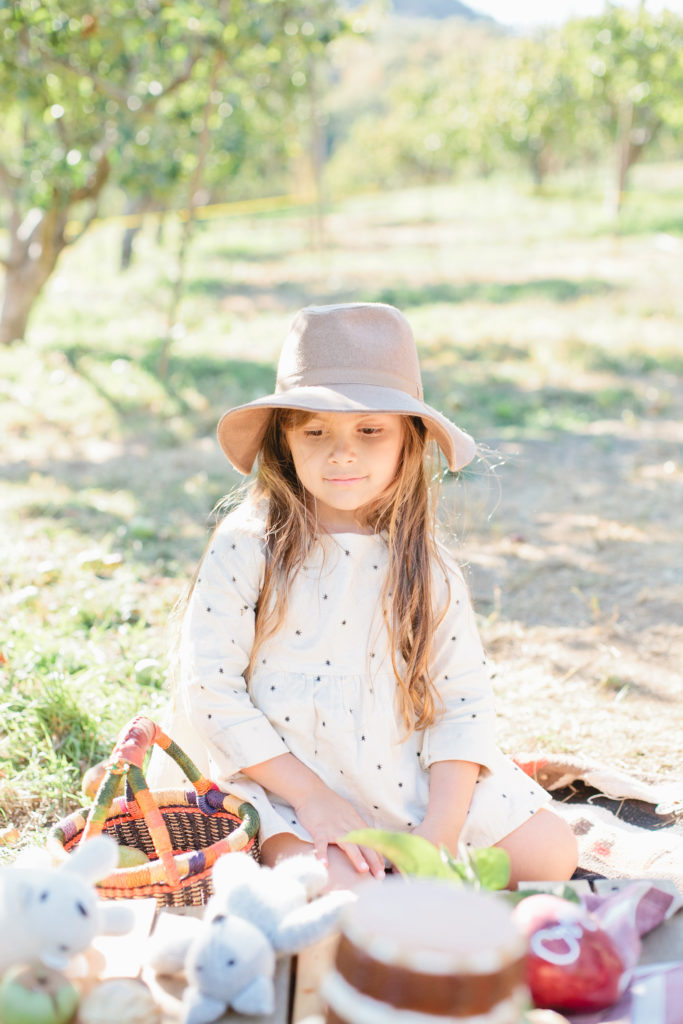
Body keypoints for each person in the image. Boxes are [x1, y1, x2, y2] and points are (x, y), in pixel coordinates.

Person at [170, 302, 578, 890]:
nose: (343, 453)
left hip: (405, 771)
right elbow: (210, 690)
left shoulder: (425, 563)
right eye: (316, 431)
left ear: (407, 440)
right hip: (289, 778)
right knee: (341, 890)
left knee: (550, 854)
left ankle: (421, 854)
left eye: (370, 430)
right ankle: (321, 856)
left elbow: (462, 701)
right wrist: (312, 799)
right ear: (285, 440)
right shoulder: (249, 546)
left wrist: (440, 828)